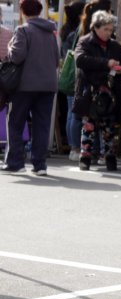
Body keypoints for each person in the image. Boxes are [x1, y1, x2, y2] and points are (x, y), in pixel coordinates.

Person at [2, 0, 58, 175]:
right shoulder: (51, 32)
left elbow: (17, 56)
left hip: (24, 85)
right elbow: (57, 59)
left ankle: (16, 162)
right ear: (40, 11)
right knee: (42, 125)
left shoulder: (23, 30)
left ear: (22, 11)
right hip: (48, 85)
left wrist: (9, 48)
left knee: (16, 122)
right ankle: (40, 165)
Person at [72, 11, 121, 171]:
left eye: (111, 30)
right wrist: (106, 63)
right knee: (88, 126)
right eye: (105, 29)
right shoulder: (85, 42)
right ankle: (85, 157)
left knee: (109, 127)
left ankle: (110, 156)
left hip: (110, 92)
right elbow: (80, 60)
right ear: (95, 28)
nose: (109, 33)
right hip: (90, 90)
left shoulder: (115, 46)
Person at [60, 0, 86, 162]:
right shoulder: (77, 32)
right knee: (74, 112)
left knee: (71, 111)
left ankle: (72, 146)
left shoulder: (66, 31)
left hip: (69, 75)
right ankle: (74, 146)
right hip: (75, 76)